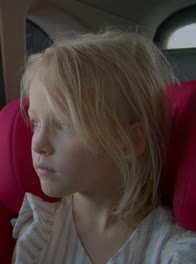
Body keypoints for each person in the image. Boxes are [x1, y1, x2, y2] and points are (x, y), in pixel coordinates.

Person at [11, 30, 196, 263]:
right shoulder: (38, 231)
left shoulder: (172, 252)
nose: (38, 144)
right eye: (36, 122)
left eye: (63, 125)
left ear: (127, 142)